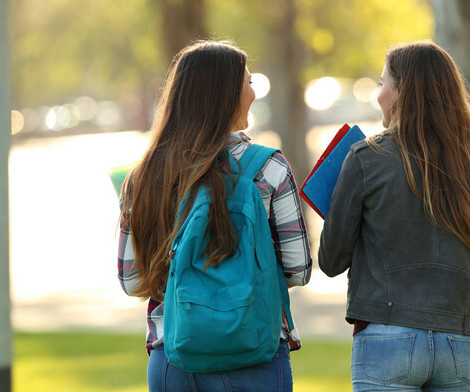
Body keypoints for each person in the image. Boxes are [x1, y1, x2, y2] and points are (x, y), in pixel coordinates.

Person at [117, 40, 312, 392]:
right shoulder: (268, 168)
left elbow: (131, 281)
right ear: (229, 95)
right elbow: (298, 270)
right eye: (249, 83)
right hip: (253, 353)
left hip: (174, 358)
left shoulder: (143, 178)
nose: (254, 92)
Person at [318, 41, 470, 392]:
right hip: (461, 340)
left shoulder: (364, 158)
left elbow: (330, 261)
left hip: (387, 339)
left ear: (403, 93)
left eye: (382, 83)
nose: (378, 94)